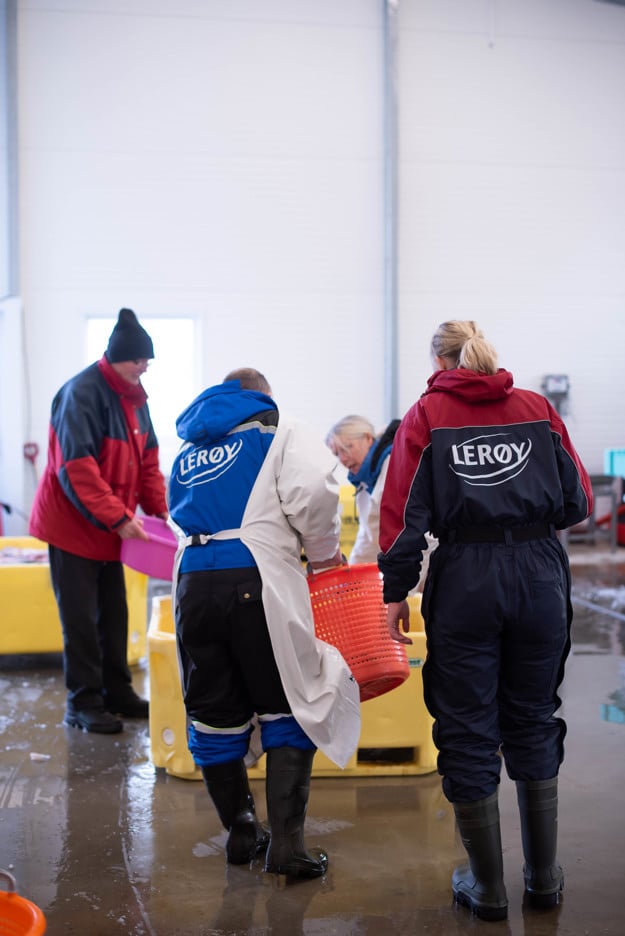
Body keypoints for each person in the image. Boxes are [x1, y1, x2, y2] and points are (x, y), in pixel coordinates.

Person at [377, 321, 593, 922]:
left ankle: (489, 887)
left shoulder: (427, 416)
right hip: (539, 572)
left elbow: (401, 515)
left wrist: (396, 592)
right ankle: (544, 881)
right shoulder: (537, 408)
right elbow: (577, 498)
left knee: (468, 723)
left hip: (467, 575)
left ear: (439, 360)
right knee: (532, 714)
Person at [168, 367, 360, 880]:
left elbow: (179, 512)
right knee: (289, 701)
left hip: (191, 582)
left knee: (214, 709)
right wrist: (322, 556)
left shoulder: (190, 445)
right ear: (262, 396)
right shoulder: (273, 427)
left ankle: (242, 832)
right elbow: (316, 494)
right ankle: (288, 849)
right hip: (254, 580)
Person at [29, 308, 169, 734]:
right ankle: (83, 702)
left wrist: (161, 511)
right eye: (138, 360)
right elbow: (76, 468)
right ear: (116, 357)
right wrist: (119, 516)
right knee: (81, 618)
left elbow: (148, 463)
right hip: (72, 527)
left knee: (114, 611)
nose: (144, 367)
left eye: (148, 361)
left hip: (112, 529)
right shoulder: (81, 394)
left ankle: (117, 692)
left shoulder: (136, 398)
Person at [326, 414, 436, 587]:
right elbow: (369, 538)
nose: (342, 458)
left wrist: (402, 592)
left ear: (368, 438)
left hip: (434, 565)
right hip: (413, 569)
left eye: (347, 447)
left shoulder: (395, 466)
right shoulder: (365, 483)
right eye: (336, 453)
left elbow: (419, 536)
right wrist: (349, 582)